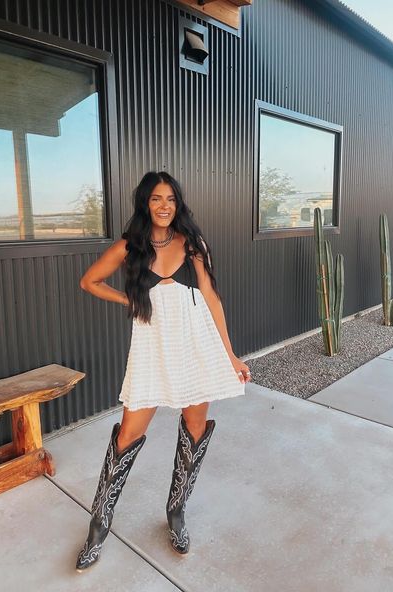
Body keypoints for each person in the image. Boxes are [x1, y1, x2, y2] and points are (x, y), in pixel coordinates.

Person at [76, 171, 251, 572]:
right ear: (145, 203)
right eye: (156, 199)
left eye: (171, 199)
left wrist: (230, 354)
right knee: (128, 434)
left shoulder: (193, 243)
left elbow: (210, 297)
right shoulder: (129, 247)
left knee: (194, 428)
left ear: (178, 204)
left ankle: (176, 513)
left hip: (196, 347)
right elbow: (89, 281)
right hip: (152, 350)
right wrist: (130, 301)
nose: (164, 206)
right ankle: (99, 525)